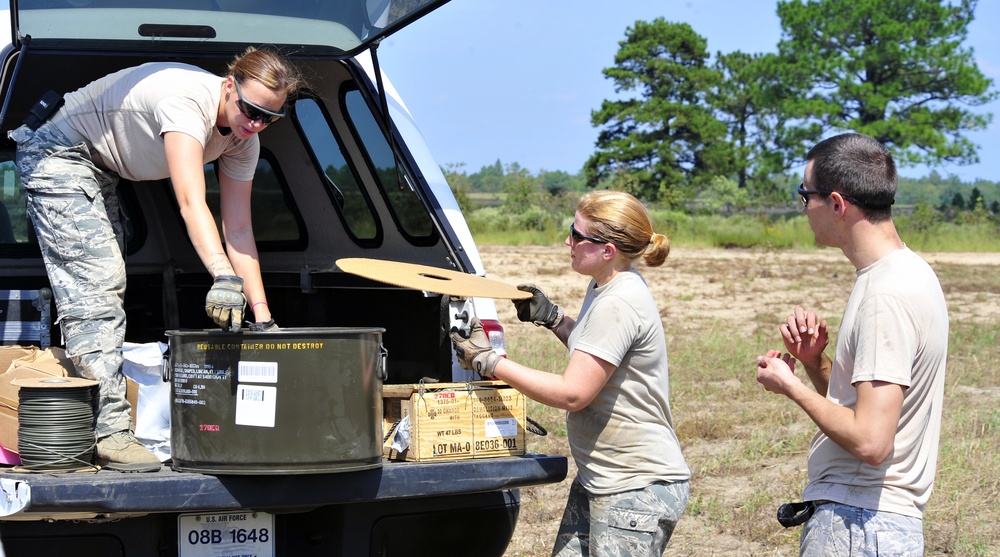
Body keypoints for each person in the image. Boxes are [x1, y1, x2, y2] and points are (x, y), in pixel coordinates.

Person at [9, 47, 304, 471]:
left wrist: (262, 317)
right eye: (250, 109)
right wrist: (222, 276)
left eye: (268, 118)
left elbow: (238, 230)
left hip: (100, 167)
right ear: (228, 86)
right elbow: (190, 202)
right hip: (58, 149)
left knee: (105, 281)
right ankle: (107, 432)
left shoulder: (244, 140)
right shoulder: (186, 102)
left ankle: (105, 419)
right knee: (97, 284)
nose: (254, 124)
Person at [451, 190, 691, 556]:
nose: (569, 241)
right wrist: (554, 319)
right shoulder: (608, 284)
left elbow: (573, 392)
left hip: (634, 487)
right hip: (606, 478)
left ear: (608, 250)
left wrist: (490, 362)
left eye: (577, 235)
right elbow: (598, 354)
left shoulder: (618, 302)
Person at [755, 133, 948, 556]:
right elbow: (867, 408)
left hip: (859, 523)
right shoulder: (905, 272)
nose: (804, 207)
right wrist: (814, 364)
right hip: (870, 521)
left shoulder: (886, 296)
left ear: (838, 204)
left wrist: (791, 386)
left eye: (806, 195)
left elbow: (871, 442)